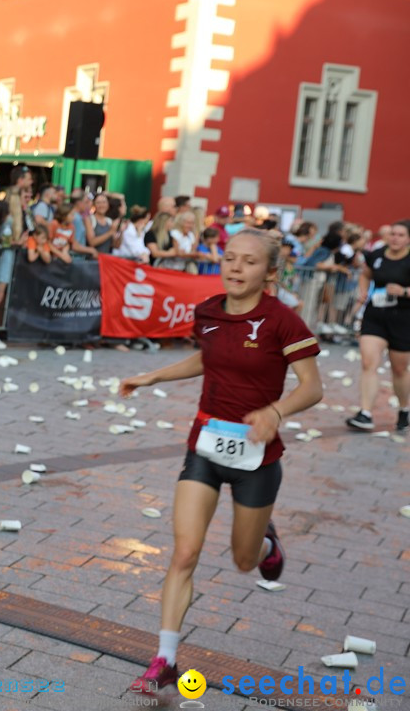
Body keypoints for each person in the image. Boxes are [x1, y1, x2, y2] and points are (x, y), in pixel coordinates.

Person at [122, 229, 323, 697]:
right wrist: (153, 376)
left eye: (249, 262)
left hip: (257, 457)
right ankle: (165, 659)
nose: (235, 268)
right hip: (205, 448)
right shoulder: (209, 311)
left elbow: (312, 388)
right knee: (185, 552)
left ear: (270, 273)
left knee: (242, 559)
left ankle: (267, 545)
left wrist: (275, 412)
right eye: (230, 258)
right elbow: (208, 357)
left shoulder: (283, 321)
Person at [345, 220, 410, 432]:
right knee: (368, 362)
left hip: (403, 318)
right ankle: (365, 413)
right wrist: (363, 291)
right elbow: (366, 273)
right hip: (375, 315)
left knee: (399, 369)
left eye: (400, 235)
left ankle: (404, 409)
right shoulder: (378, 254)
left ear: (408, 238)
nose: (395, 238)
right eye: (393, 233)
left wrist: (405, 292)